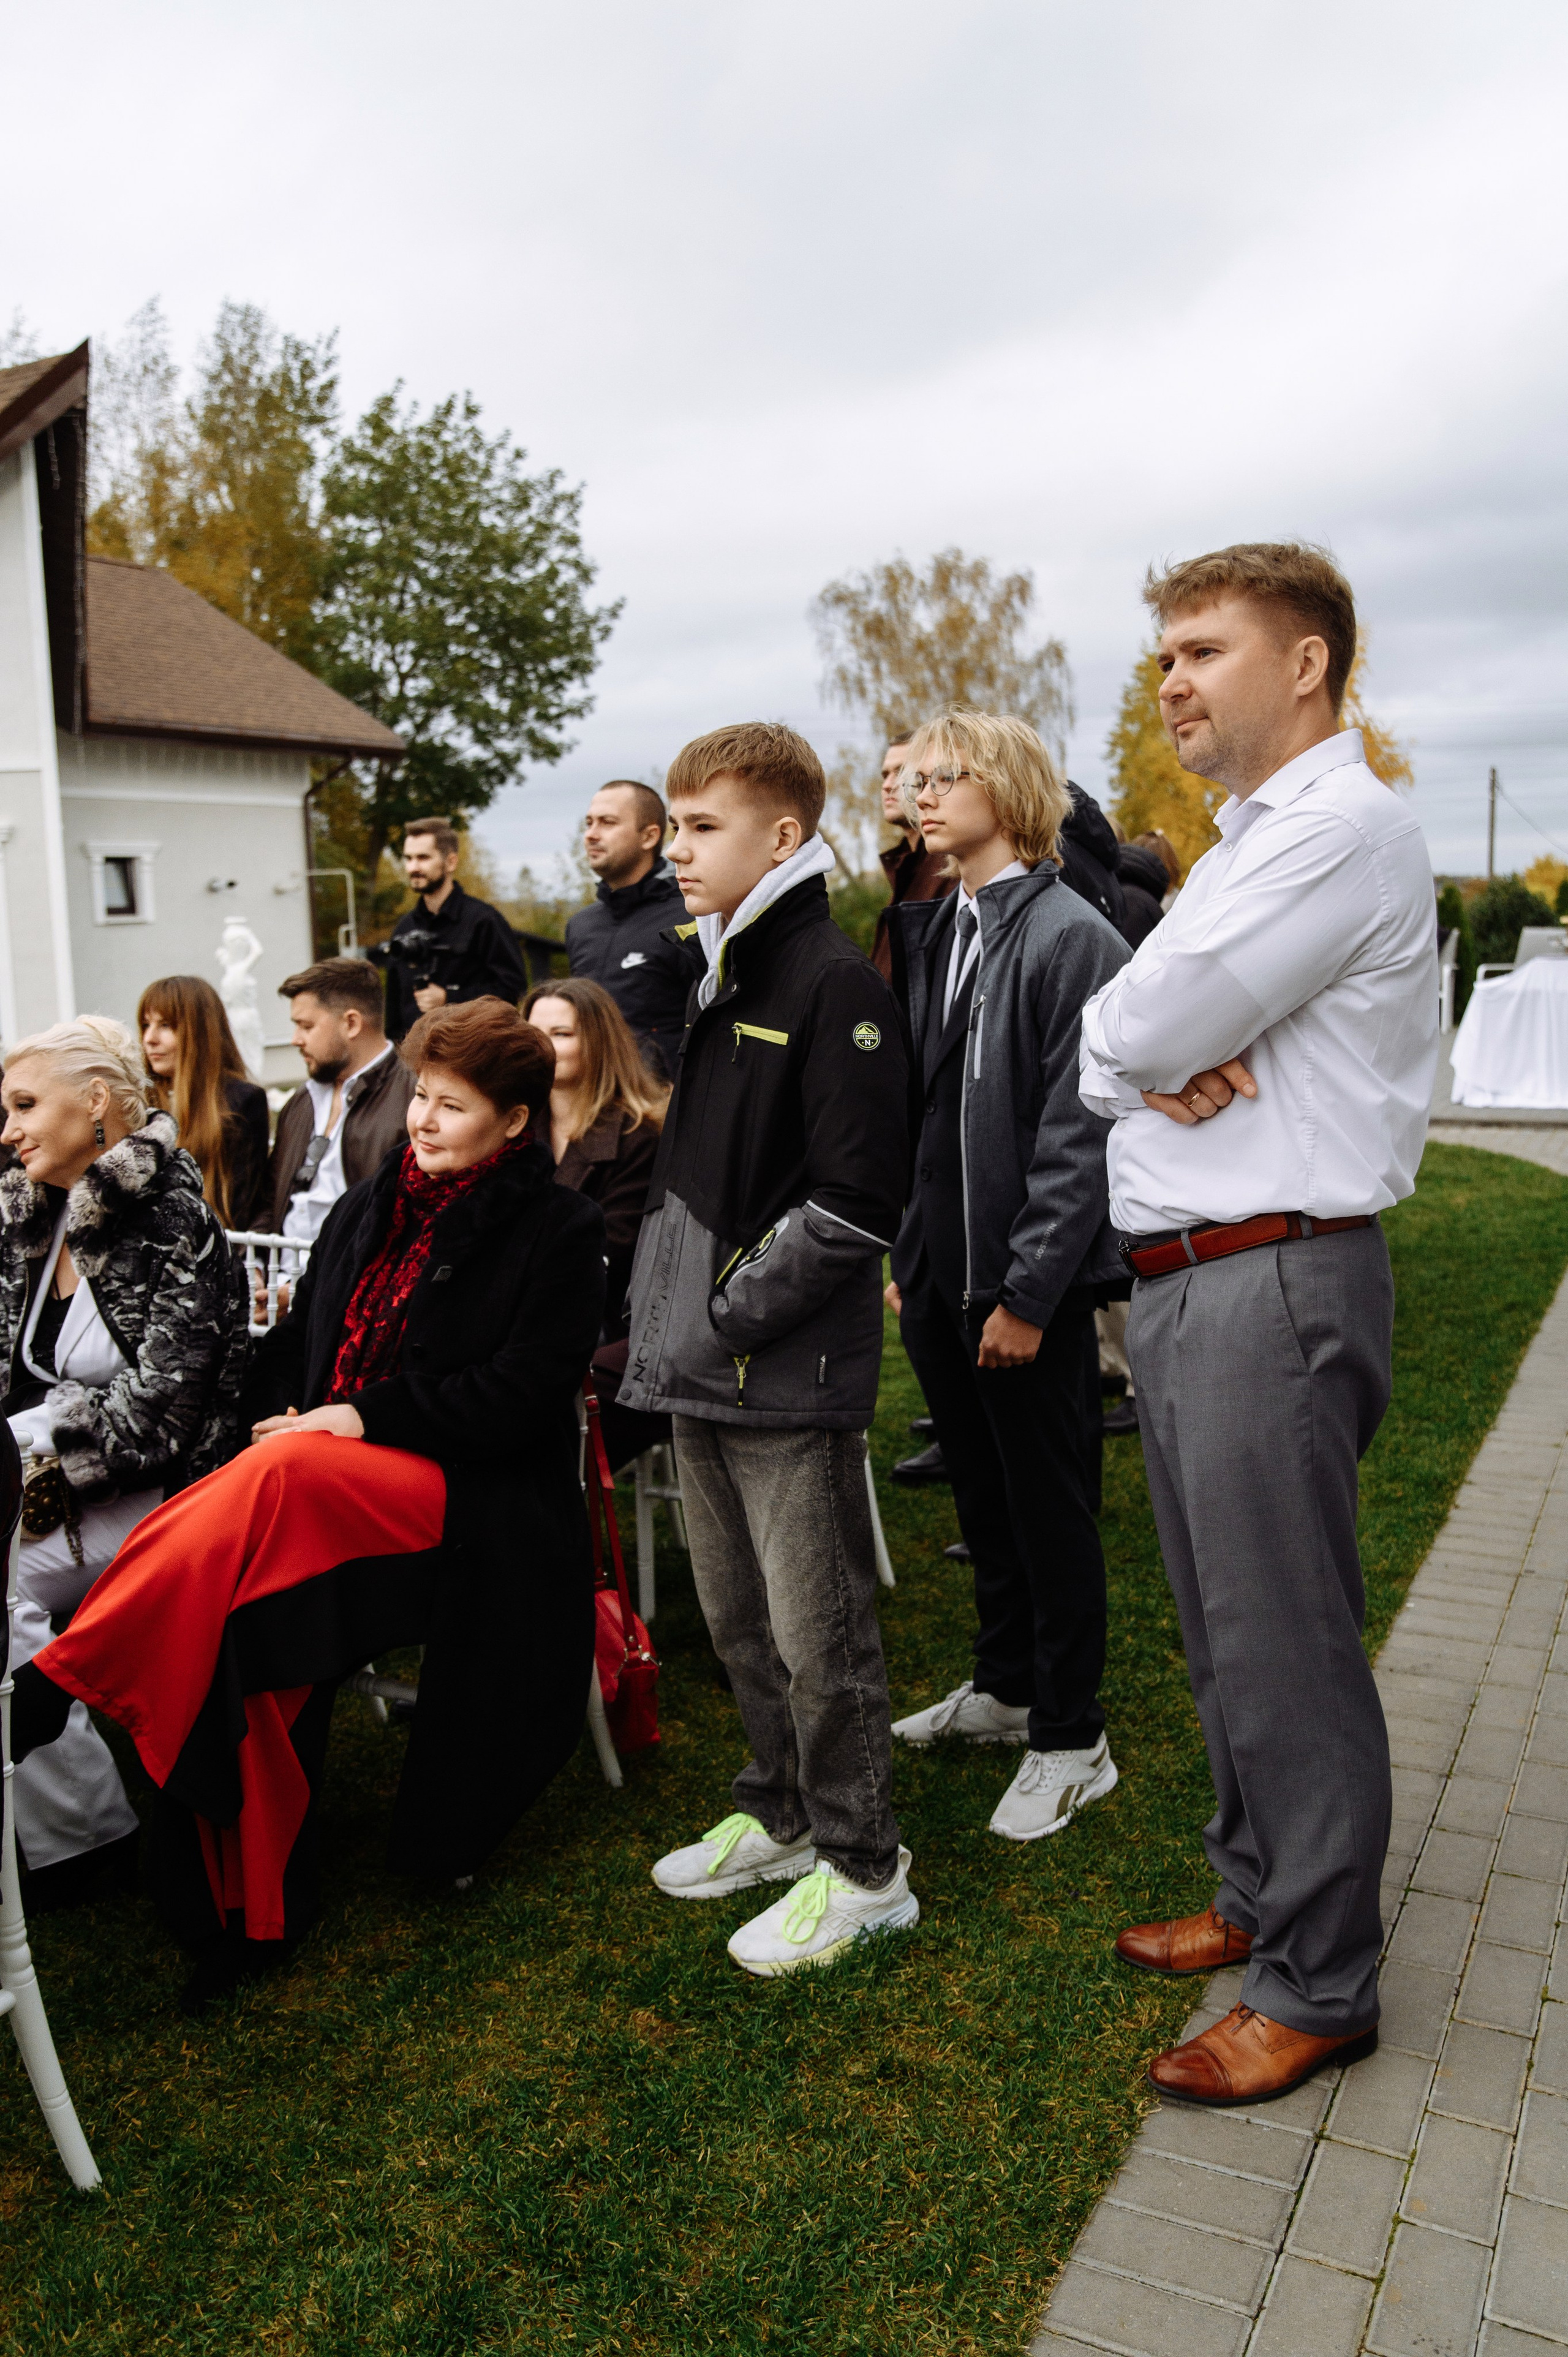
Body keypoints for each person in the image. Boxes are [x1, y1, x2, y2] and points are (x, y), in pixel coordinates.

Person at [11, 999, 606, 2012]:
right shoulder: (374, 1203)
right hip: (324, 1505)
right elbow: (296, 1345)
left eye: (453, 1106)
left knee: (286, 1470)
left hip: (472, 1509)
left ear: (512, 1121)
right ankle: (249, 1911)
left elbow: (517, 1397)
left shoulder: (559, 1227)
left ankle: (71, 1668)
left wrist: (357, 1417)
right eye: (422, 1095)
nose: (424, 1119)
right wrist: (291, 1409)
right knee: (240, 1629)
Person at [1079, 541, 1438, 2106]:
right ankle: (1255, 1888)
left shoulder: (1337, 829)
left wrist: (1124, 1049)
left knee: (1281, 1641)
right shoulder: (1241, 845)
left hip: (1269, 1273)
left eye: (1201, 650)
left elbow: (1138, 1022)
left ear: (1305, 664)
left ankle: (1317, 1979)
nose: (1168, 680)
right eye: (1161, 655)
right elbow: (1118, 1041)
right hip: (1190, 1278)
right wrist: (1125, 1054)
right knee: (1221, 1625)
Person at [618, 720, 915, 1975]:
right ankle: (782, 1811)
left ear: (783, 835)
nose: (675, 850)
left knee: (819, 1636)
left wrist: (729, 1313)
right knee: (738, 1620)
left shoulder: (831, 984)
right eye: (675, 824)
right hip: (703, 1369)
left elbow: (855, 1202)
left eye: (702, 827)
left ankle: (865, 1867)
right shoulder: (721, 970)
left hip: (783, 1373)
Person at [880, 712, 1129, 1841]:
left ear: (1013, 789)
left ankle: (1072, 1737)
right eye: (919, 779)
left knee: (1048, 1506)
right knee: (983, 1495)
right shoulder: (947, 922)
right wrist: (915, 1253)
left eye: (950, 776)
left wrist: (1029, 1294)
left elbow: (1080, 1135)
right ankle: (1006, 1685)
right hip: (943, 1269)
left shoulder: (1072, 934)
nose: (923, 794)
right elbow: (934, 1105)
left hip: (1027, 1286)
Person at [1, 1016, 249, 1910]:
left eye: (25, 1105)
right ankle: (59, 1815)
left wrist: (23, 1443)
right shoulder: (34, 1214)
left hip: (168, 1497)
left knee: (2, 1596)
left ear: (97, 1101)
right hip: (52, 1488)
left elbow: (165, 1415)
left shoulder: (171, 1217)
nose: (8, 1131)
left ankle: (82, 1834)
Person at [522, 976, 668, 1471]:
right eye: (534, 1034)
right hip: (526, 1314)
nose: (543, 1046)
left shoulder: (638, 1136)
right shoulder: (514, 1127)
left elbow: (609, 1251)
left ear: (598, 1043)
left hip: (610, 1324)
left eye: (561, 1034)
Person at [267, 958, 417, 1244]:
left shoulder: (415, 1098)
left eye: (306, 1026)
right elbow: (269, 1198)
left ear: (351, 1024)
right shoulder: (301, 1101)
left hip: (355, 1269)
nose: (295, 1040)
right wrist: (259, 1264)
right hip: (281, 1269)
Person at [565, 782, 701, 1079]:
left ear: (650, 836)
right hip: (588, 1092)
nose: (591, 834)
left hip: (662, 1097)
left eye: (608, 823)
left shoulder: (691, 919)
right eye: (589, 823)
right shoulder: (581, 925)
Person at [139, 975, 271, 1231]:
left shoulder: (241, 1101)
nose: (149, 1039)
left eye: (165, 1025)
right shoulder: (140, 1103)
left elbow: (244, 1206)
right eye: (145, 1025)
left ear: (200, 1032)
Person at [382, 817, 529, 1041]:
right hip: (413, 1055)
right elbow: (394, 1008)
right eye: (409, 858)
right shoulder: (405, 928)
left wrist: (449, 998)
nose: (413, 868)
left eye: (423, 858)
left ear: (450, 862)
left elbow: (514, 990)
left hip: (472, 1051)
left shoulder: (483, 921)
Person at [870, 731, 957, 982]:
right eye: (885, 775)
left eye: (901, 773)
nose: (888, 785)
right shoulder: (902, 866)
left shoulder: (949, 867)